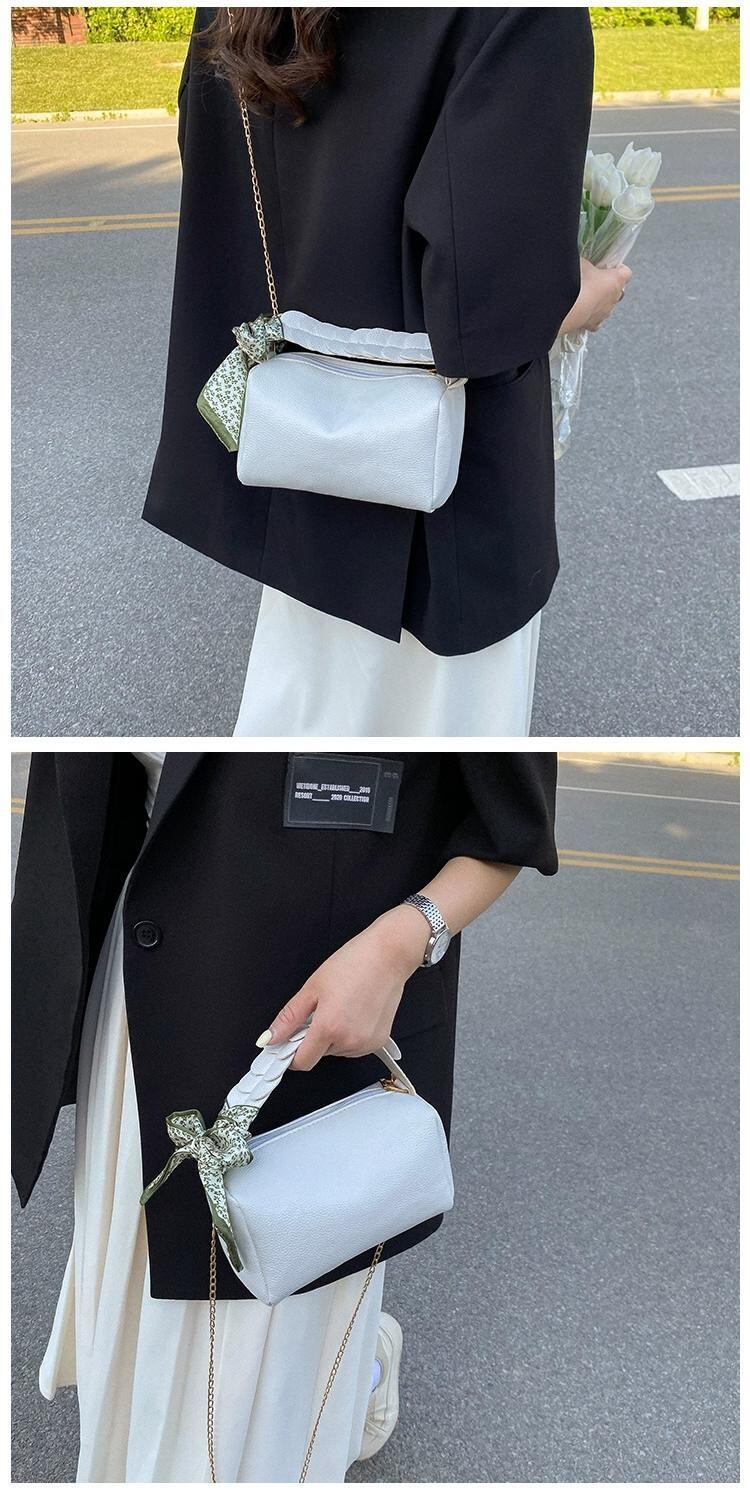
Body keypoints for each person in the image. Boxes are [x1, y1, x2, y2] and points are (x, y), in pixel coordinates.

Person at [12, 750, 558, 1482]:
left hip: (314, 1010)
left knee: (265, 1344)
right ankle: (358, 1372)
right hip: (144, 977)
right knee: (155, 1329)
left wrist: (402, 940)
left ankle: (354, 1375)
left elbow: (512, 824)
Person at [144, 9, 630, 737]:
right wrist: (585, 296)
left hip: (303, 458)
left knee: (299, 742)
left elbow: (213, 163)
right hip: (449, 503)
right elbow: (484, 296)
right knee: (447, 739)